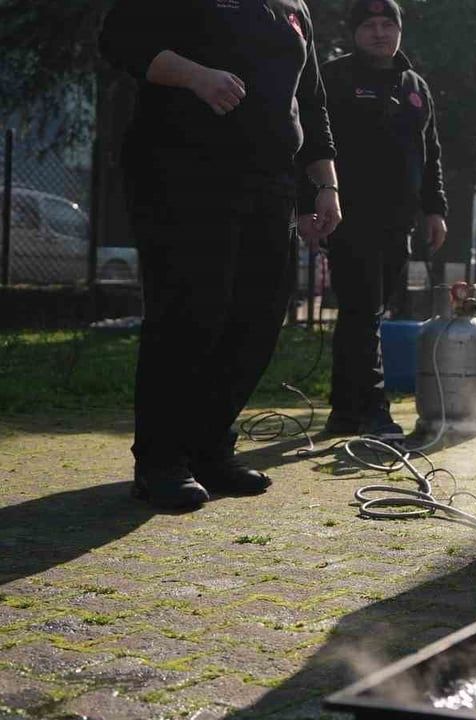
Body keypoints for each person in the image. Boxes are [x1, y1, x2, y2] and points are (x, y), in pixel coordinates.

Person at [99, 0, 340, 510]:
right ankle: (161, 461)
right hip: (184, 171)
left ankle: (208, 448)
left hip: (271, 181)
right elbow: (120, 37)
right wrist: (195, 76)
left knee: (258, 317)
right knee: (191, 311)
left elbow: (311, 99)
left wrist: (325, 185)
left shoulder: (294, 6)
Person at [313, 0, 448, 439]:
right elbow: (310, 146)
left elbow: (431, 156)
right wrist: (312, 204)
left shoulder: (415, 86)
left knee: (365, 312)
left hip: (399, 221)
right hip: (348, 217)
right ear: (355, 32)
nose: (378, 33)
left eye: (387, 24)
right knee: (363, 310)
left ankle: (344, 412)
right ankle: (373, 410)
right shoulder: (333, 78)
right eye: (369, 25)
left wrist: (436, 209)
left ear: (399, 30)